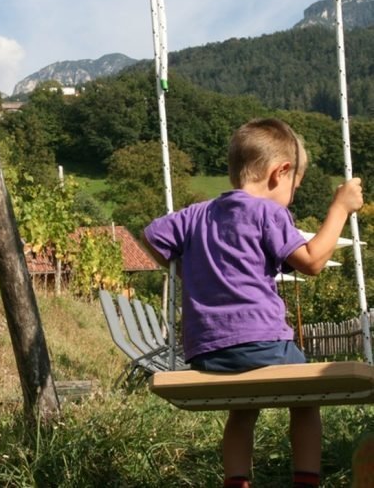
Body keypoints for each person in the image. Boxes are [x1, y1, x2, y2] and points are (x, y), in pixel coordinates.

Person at [143, 118, 363, 488]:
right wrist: (339, 208)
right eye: (295, 187)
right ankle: (307, 481)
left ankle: (237, 481)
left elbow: (152, 234)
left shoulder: (197, 214)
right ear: (281, 172)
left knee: (242, 409)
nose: (291, 197)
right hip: (263, 344)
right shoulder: (268, 212)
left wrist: (188, 273)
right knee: (307, 397)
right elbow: (311, 262)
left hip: (206, 352)